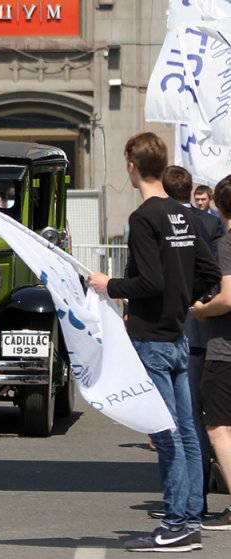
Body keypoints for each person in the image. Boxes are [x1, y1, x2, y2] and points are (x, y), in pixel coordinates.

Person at [88, 132, 220, 552]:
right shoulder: (183, 214)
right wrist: (186, 303)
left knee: (166, 434)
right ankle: (189, 517)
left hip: (153, 338)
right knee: (185, 431)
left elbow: (149, 281)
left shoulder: (144, 217)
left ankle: (178, 523)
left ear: (131, 166)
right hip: (178, 335)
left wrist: (109, 284)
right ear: (162, 166)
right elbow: (209, 272)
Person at [161, 165, 224, 518]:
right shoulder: (210, 224)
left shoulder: (160, 219)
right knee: (196, 420)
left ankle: (189, 499)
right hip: (199, 329)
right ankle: (193, 496)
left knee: (185, 418)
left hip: (179, 327)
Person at [190, 174, 231, 531]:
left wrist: (202, 310)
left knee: (217, 426)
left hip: (225, 348)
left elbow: (228, 298)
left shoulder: (227, 243)